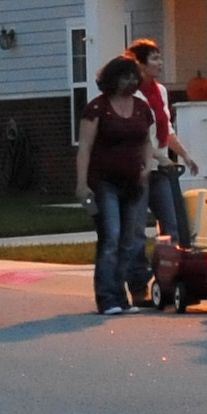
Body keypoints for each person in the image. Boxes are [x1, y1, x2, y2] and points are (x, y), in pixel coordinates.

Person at [74, 55, 158, 315]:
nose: (131, 81)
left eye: (134, 76)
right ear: (112, 78)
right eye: (125, 76)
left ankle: (121, 298)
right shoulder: (97, 108)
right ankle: (106, 297)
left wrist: (147, 167)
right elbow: (85, 147)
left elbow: (146, 142)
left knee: (128, 241)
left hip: (133, 182)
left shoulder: (142, 108)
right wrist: (81, 183)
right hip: (104, 182)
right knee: (110, 238)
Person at [124, 39, 200, 305]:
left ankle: (169, 278)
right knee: (135, 231)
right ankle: (138, 286)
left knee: (174, 226)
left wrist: (184, 156)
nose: (160, 63)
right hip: (138, 169)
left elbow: (165, 132)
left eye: (160, 57)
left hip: (161, 171)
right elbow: (141, 136)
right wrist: (159, 157)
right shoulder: (132, 95)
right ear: (140, 64)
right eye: (154, 59)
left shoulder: (160, 92)